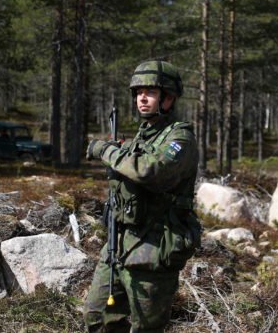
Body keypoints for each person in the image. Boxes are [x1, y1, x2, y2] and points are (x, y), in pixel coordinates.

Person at [84, 60, 201, 332]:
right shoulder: (141, 137)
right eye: (138, 93)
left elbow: (152, 171)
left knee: (146, 327)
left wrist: (107, 152)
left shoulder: (179, 138)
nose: (142, 98)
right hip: (120, 243)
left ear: (169, 98)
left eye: (150, 92)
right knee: (97, 319)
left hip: (155, 247)